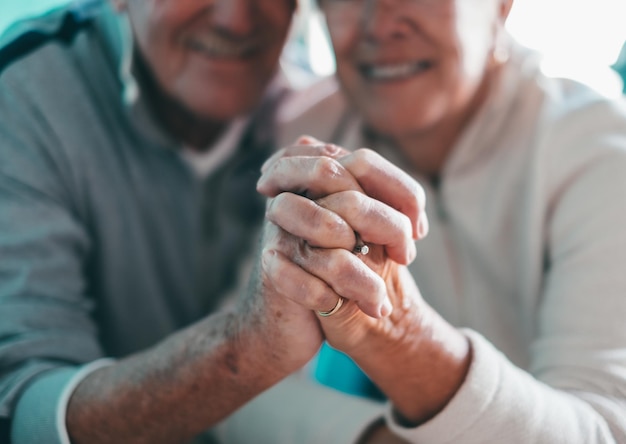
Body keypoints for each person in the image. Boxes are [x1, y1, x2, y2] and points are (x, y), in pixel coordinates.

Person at [0, 0, 409, 443]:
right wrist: (247, 348)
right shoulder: (22, 94)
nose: (235, 19)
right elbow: (25, 410)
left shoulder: (319, 113)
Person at [241, 0, 626, 442]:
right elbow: (236, 379)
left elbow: (606, 429)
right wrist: (372, 435)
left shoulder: (602, 151)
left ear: (501, 8)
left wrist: (399, 334)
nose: (381, 24)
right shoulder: (308, 142)